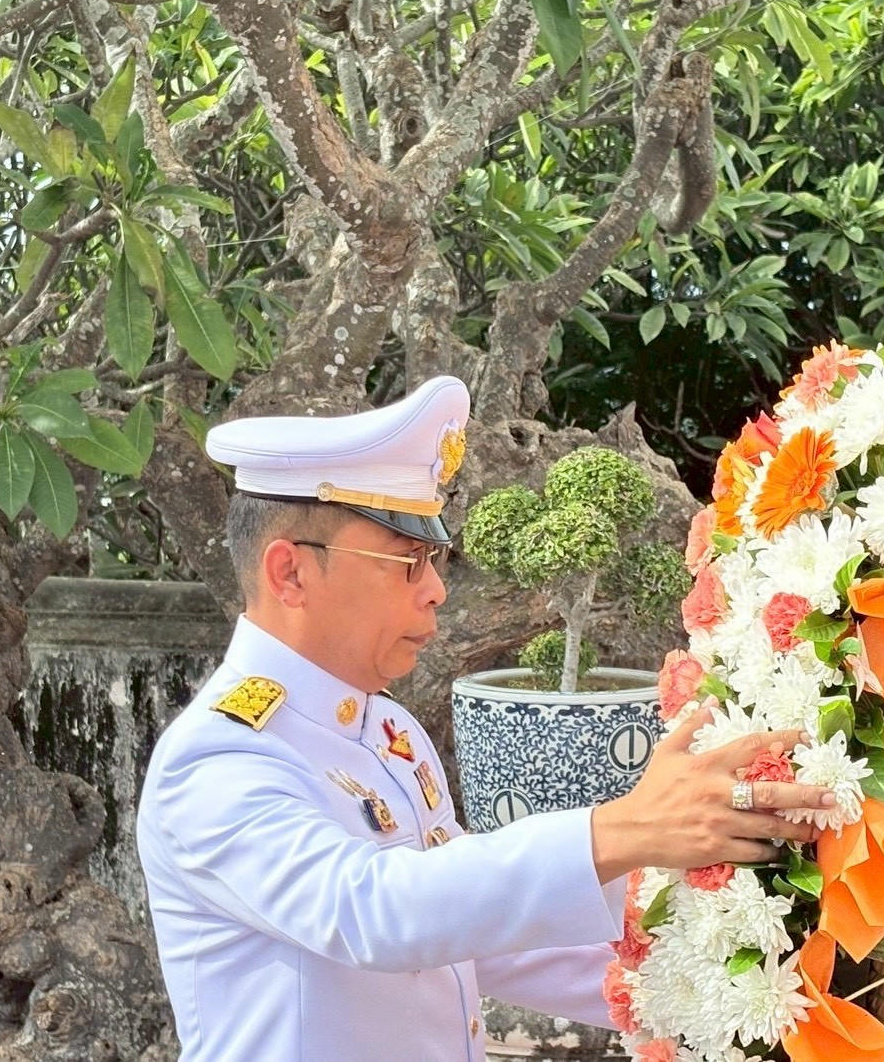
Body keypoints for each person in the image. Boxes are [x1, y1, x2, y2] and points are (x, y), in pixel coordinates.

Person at [136, 375, 837, 1060]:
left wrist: (729, 976)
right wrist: (625, 829)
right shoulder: (217, 760)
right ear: (290, 573)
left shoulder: (387, 731)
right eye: (407, 561)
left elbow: (472, 937)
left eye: (433, 558)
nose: (437, 590)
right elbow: (373, 913)